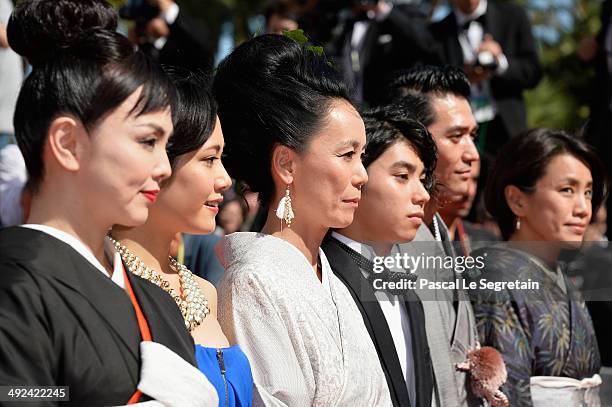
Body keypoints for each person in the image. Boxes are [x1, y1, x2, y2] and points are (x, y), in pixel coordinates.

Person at [0, 1, 216, 405]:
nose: (163, 168)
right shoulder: (14, 287)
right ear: (68, 143)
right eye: (147, 141)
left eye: (166, 146)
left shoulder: (158, 301)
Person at [213, 34, 392, 406]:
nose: (362, 175)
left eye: (362, 156)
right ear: (286, 164)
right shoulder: (253, 281)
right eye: (346, 154)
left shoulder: (332, 274)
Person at [110, 70, 253, 406]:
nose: (225, 180)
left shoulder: (205, 292)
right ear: (157, 160)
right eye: (209, 159)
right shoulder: (106, 283)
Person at [468, 128, 606, 406]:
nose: (583, 208)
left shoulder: (560, 278)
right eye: (567, 190)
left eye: (588, 192)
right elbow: (507, 395)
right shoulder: (494, 276)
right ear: (517, 199)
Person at [322, 105, 437, 407]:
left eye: (422, 178)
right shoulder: (322, 276)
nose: (422, 194)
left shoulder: (409, 289)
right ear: (357, 176)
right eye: (402, 176)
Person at [387, 66, 482, 406]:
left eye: (474, 135)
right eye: (456, 137)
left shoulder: (441, 235)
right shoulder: (380, 248)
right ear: (414, 141)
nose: (472, 153)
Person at [429, 0, 542, 159]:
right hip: (460, 131)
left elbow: (533, 73)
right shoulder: (436, 32)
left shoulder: (512, 15)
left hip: (506, 128)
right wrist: (463, 77)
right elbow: (431, 85)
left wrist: (500, 63)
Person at [122, 0, 214, 73]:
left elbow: (204, 49)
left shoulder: (194, 30)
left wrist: (171, 13)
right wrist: (133, 50)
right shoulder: (142, 50)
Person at [438, 159, 498, 255]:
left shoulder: (486, 243)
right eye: (462, 178)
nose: (470, 191)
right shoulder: (412, 236)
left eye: (474, 180)